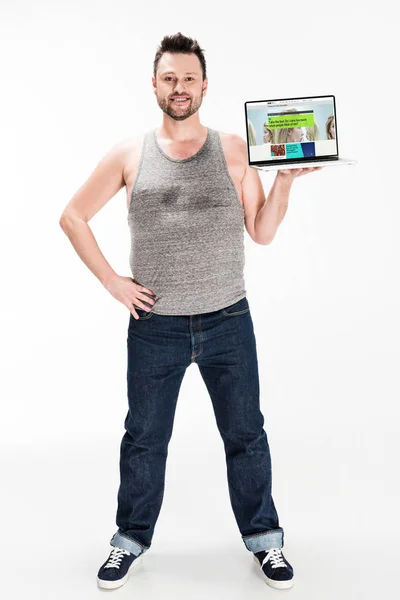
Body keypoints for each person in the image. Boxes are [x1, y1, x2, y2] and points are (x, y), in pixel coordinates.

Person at [59, 32, 322, 591]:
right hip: (155, 327)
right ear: (155, 85)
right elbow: (73, 217)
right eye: (170, 78)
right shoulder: (130, 153)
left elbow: (263, 232)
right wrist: (113, 283)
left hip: (229, 321)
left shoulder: (234, 149)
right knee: (144, 438)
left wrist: (283, 181)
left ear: (205, 85)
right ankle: (129, 540)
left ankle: (266, 543)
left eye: (189, 78)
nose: (180, 88)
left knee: (246, 434)